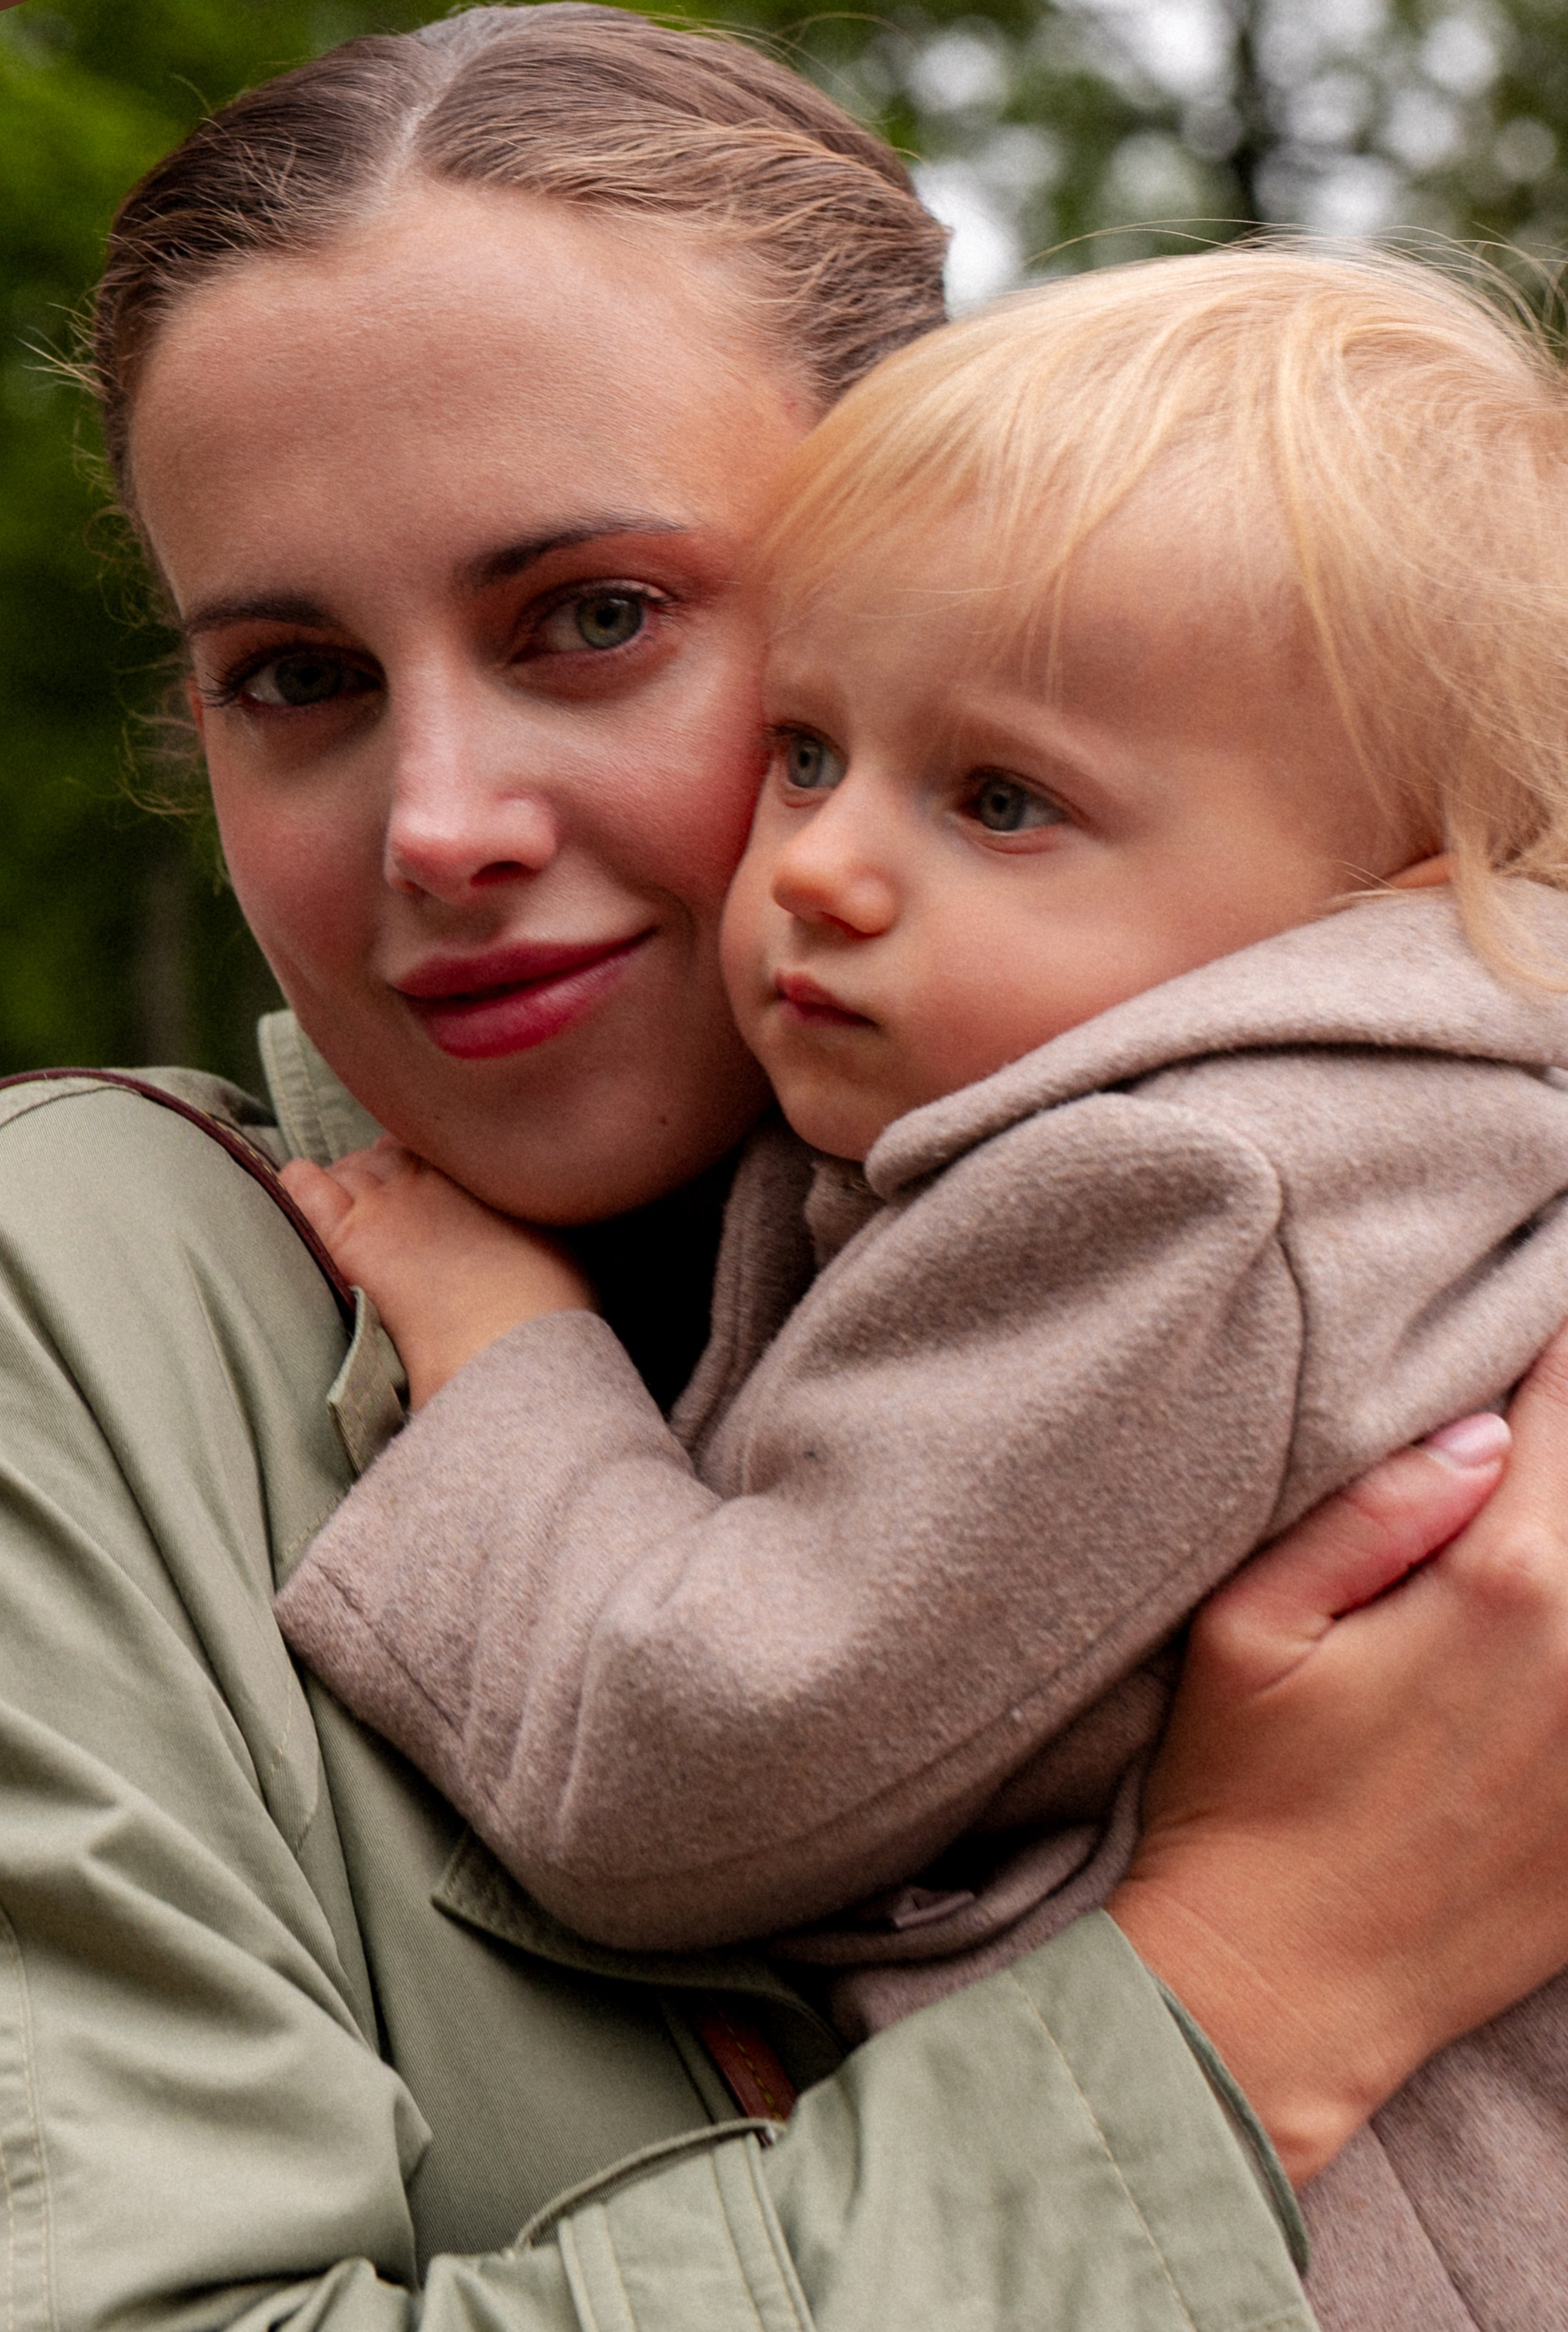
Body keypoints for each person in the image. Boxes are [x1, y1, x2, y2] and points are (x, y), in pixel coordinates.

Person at [8, 6, 1568, 2324]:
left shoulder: (1316, 1198)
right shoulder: (82, 1306)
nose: (443, 825)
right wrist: (1264, 1979)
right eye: (297, 677)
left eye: (600, 617)